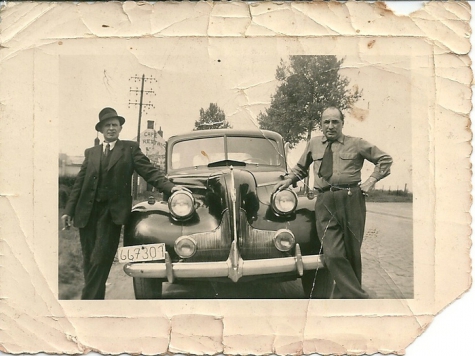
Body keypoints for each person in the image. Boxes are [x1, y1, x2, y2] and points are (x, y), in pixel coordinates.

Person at [61, 107, 187, 300]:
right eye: (107, 125)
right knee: (89, 261)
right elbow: (79, 183)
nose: (111, 128)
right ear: (101, 129)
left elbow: (149, 171)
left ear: (120, 128)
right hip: (86, 213)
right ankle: (95, 304)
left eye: (115, 125)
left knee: (100, 259)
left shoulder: (129, 149)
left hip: (111, 214)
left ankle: (86, 301)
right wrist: (68, 210)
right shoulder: (91, 153)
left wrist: (171, 188)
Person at [275, 107, 393, 299]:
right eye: (326, 122)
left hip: (351, 199)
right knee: (333, 253)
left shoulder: (356, 143)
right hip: (324, 201)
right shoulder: (313, 144)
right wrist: (287, 181)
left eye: (335, 122)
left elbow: (385, 160)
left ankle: (343, 299)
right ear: (321, 124)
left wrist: (370, 181)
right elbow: (300, 169)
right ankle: (359, 297)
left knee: (352, 254)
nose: (330, 126)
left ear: (342, 124)